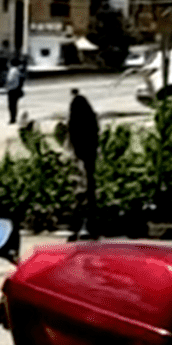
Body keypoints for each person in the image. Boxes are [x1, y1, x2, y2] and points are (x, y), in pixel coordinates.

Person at [68, 88, 100, 240]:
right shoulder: (89, 117)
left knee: (81, 189)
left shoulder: (75, 114)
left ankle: (83, 223)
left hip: (81, 154)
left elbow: (73, 133)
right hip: (90, 154)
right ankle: (90, 223)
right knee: (89, 188)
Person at [5, 55, 25, 124]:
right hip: (16, 89)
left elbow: (9, 79)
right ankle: (13, 118)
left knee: (11, 105)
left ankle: (12, 119)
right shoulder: (17, 70)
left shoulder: (12, 70)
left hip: (12, 89)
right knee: (14, 105)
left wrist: (6, 84)